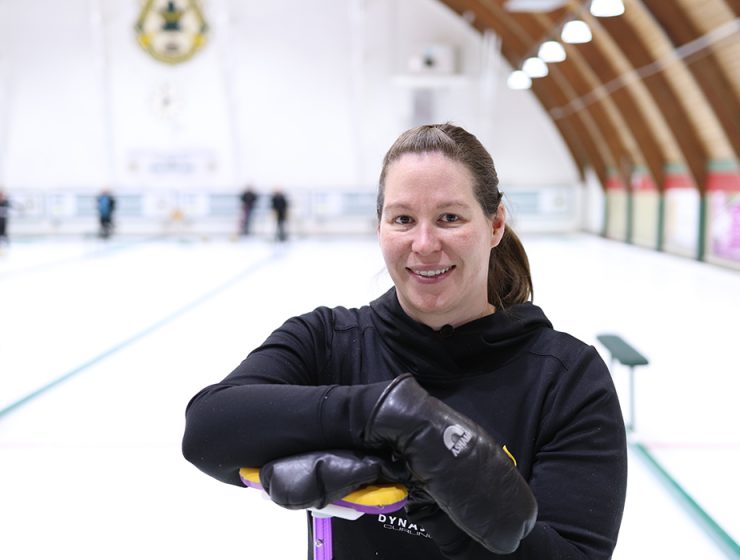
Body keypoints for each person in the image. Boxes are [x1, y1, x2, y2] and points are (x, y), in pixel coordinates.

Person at [182, 123, 627, 559]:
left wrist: (434, 494)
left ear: (495, 225)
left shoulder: (566, 379)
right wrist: (387, 415)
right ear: (380, 227)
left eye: (450, 218)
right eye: (403, 219)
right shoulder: (327, 342)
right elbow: (208, 429)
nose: (425, 243)